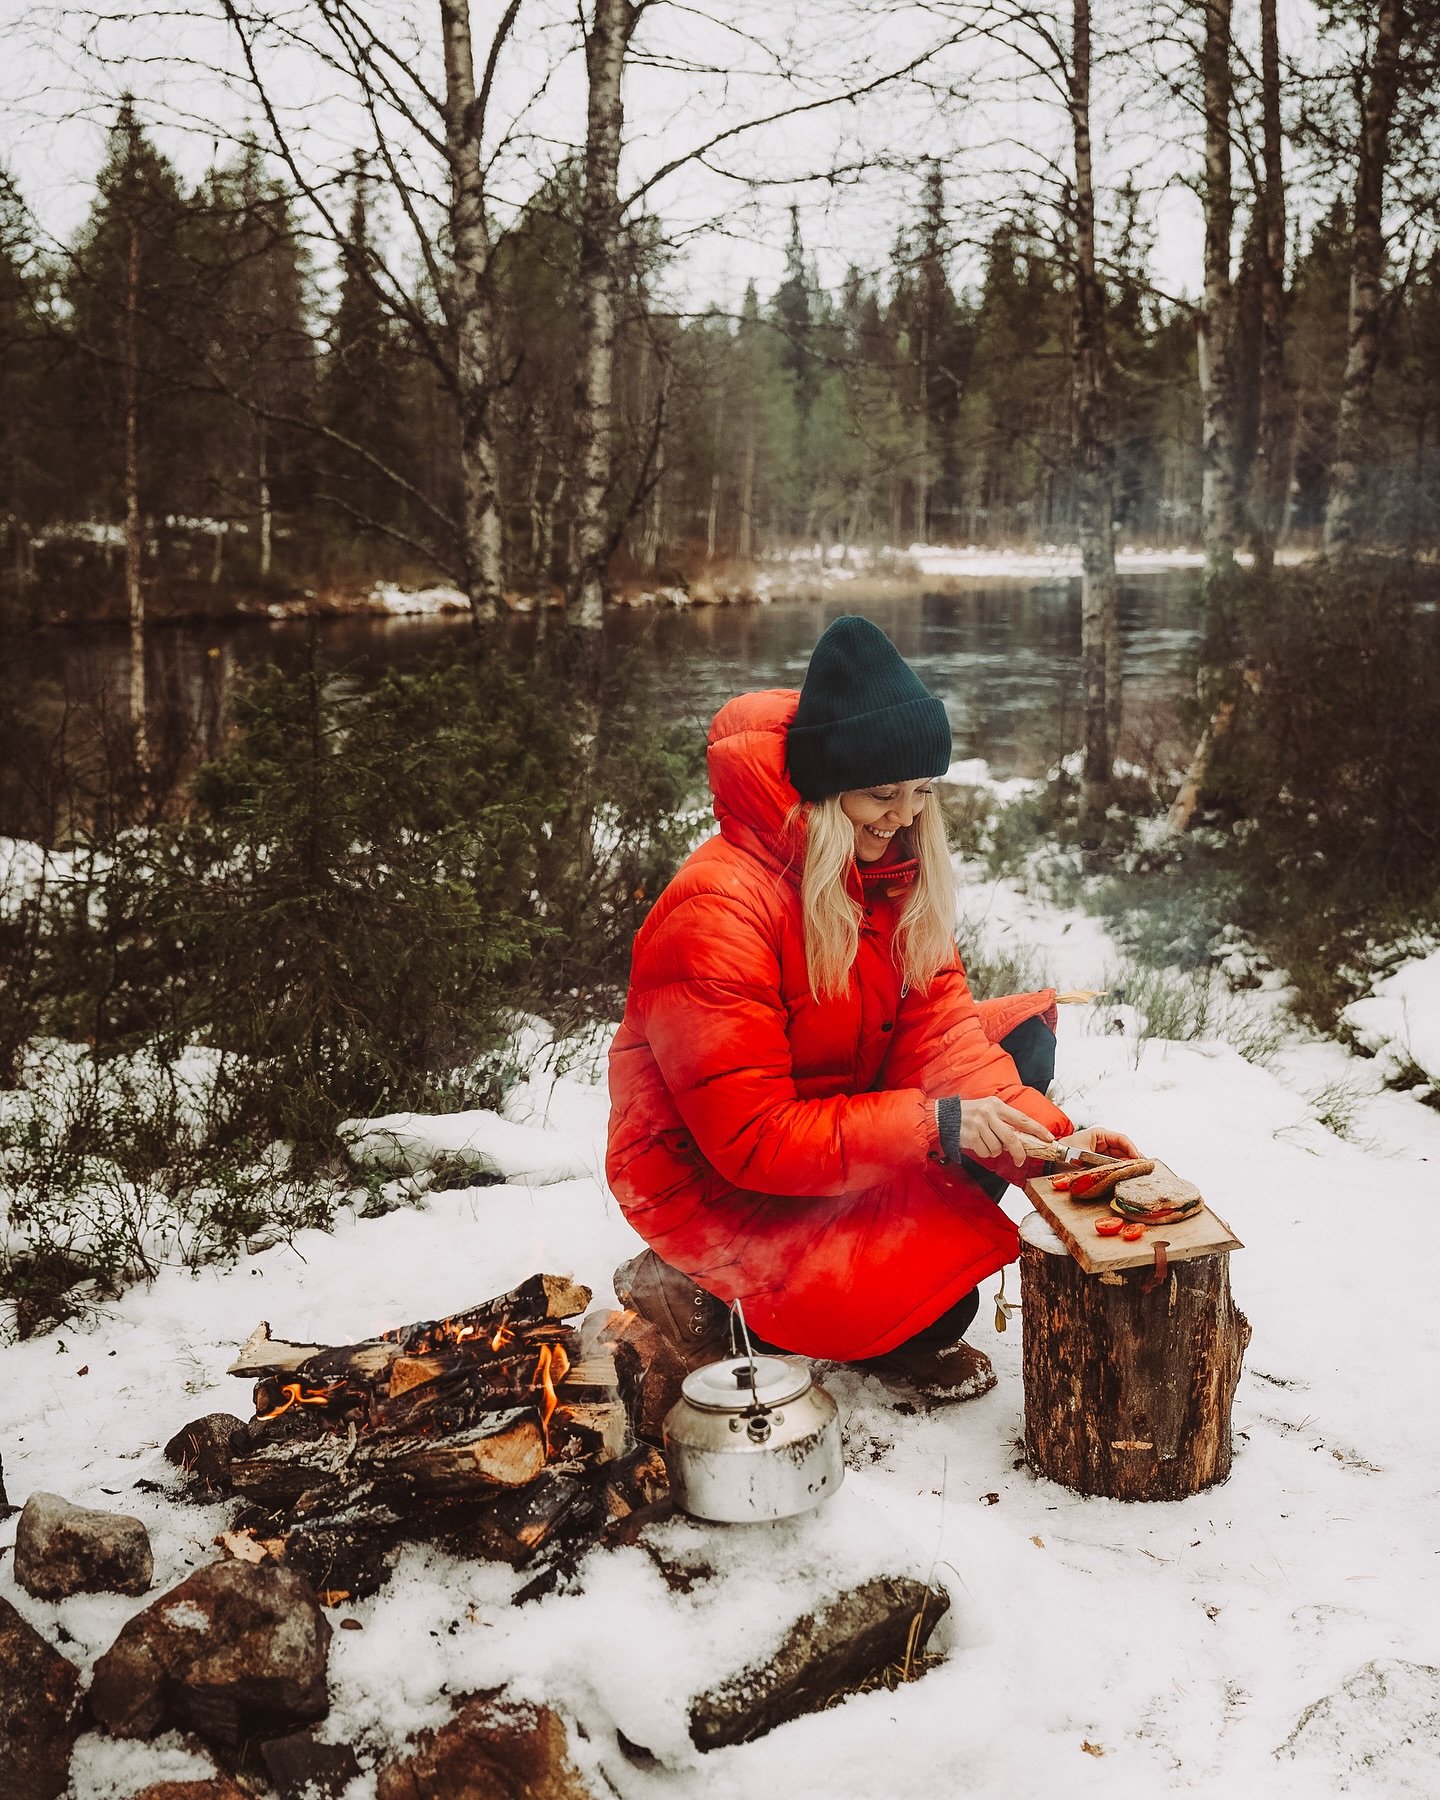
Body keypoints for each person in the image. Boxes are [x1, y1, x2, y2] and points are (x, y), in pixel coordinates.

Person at [606, 615, 1137, 1399]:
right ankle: (697, 1289)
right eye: (881, 795)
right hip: (719, 1178)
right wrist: (939, 1126)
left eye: (923, 792)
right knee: (937, 1310)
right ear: (823, 790)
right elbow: (750, 1138)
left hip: (829, 1117)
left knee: (1020, 1045)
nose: (905, 816)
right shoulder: (716, 912)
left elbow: (943, 1038)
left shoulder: (889, 869)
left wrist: (1063, 1151)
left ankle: (901, 1243)